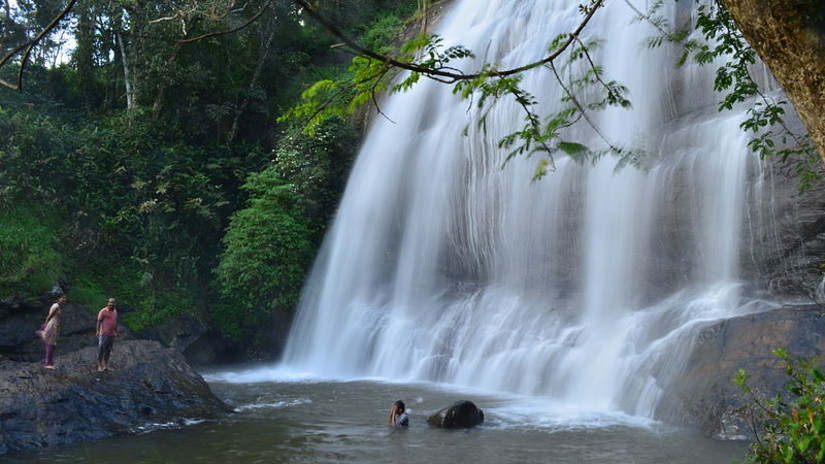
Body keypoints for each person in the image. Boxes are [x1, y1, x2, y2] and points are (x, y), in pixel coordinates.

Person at [39, 294, 66, 369]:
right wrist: (45, 325)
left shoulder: (57, 306)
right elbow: (49, 316)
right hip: (52, 325)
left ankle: (50, 362)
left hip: (54, 325)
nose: (64, 300)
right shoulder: (56, 306)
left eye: (65, 298)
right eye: (63, 298)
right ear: (58, 298)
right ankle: (47, 363)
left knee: (53, 344)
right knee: (50, 343)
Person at [96, 297, 118, 372]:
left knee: (108, 350)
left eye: (113, 303)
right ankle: (99, 365)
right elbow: (99, 321)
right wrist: (98, 331)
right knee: (101, 350)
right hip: (104, 334)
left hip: (111, 334)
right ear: (108, 303)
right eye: (110, 302)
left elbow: (115, 322)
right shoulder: (103, 311)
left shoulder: (115, 311)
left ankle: (106, 365)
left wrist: (116, 331)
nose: (112, 304)